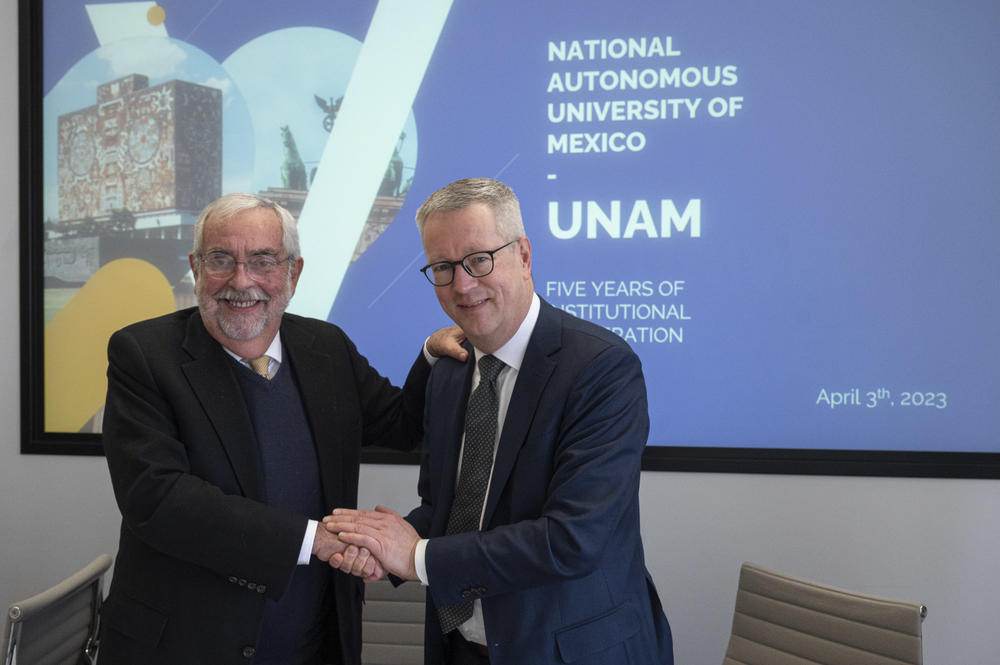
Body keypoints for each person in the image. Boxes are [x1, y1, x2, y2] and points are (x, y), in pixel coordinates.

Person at [99, 193, 465, 665]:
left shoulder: (325, 347)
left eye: (263, 261)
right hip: (181, 646)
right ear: (195, 267)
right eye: (221, 259)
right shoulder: (143, 355)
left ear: (293, 272)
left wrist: (432, 355)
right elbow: (157, 498)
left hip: (311, 643)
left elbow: (400, 425)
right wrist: (316, 539)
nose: (241, 280)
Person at [324, 178, 673, 665]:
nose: (462, 284)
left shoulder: (601, 368)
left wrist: (416, 556)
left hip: (569, 652)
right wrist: (382, 545)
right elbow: (446, 508)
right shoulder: (449, 370)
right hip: (460, 647)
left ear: (524, 255)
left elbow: (573, 539)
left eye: (479, 259)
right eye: (443, 267)